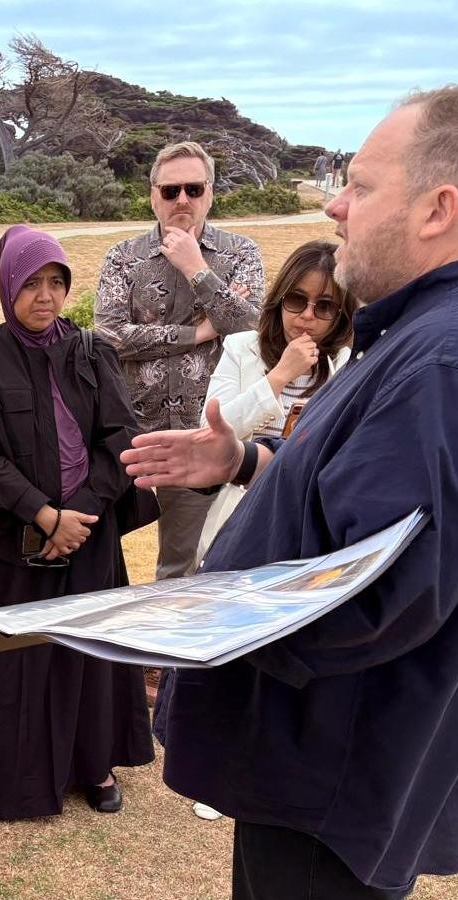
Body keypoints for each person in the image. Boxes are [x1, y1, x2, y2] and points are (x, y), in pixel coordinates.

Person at [121, 86, 458, 899]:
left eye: (360, 187)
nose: (335, 206)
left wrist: (208, 630)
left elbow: (378, 591)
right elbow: (368, 503)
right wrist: (248, 463)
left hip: (331, 768)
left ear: (438, 208)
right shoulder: (447, 332)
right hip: (328, 763)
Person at [0, 225, 158, 821]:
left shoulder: (91, 352)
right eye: (31, 283)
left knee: (85, 651)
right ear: (7, 286)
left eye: (56, 282)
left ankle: (95, 765)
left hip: (89, 533)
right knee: (15, 656)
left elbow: (120, 438)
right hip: (12, 541)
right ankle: (15, 776)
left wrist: (80, 515)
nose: (45, 296)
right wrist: (44, 516)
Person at [94, 140, 264, 581]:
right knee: (94, 554)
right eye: (171, 191)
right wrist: (200, 332)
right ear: (153, 195)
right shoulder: (124, 257)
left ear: (210, 193)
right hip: (130, 430)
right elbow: (109, 336)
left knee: (185, 566)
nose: (182, 200)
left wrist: (196, 269)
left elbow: (251, 327)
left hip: (202, 435)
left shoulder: (240, 253)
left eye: (194, 188)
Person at [194, 240, 356, 564]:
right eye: (297, 300)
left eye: (324, 307)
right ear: (280, 299)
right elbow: (211, 433)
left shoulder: (347, 363)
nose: (307, 316)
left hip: (310, 522)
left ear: (339, 316)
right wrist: (280, 376)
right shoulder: (242, 348)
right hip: (242, 511)